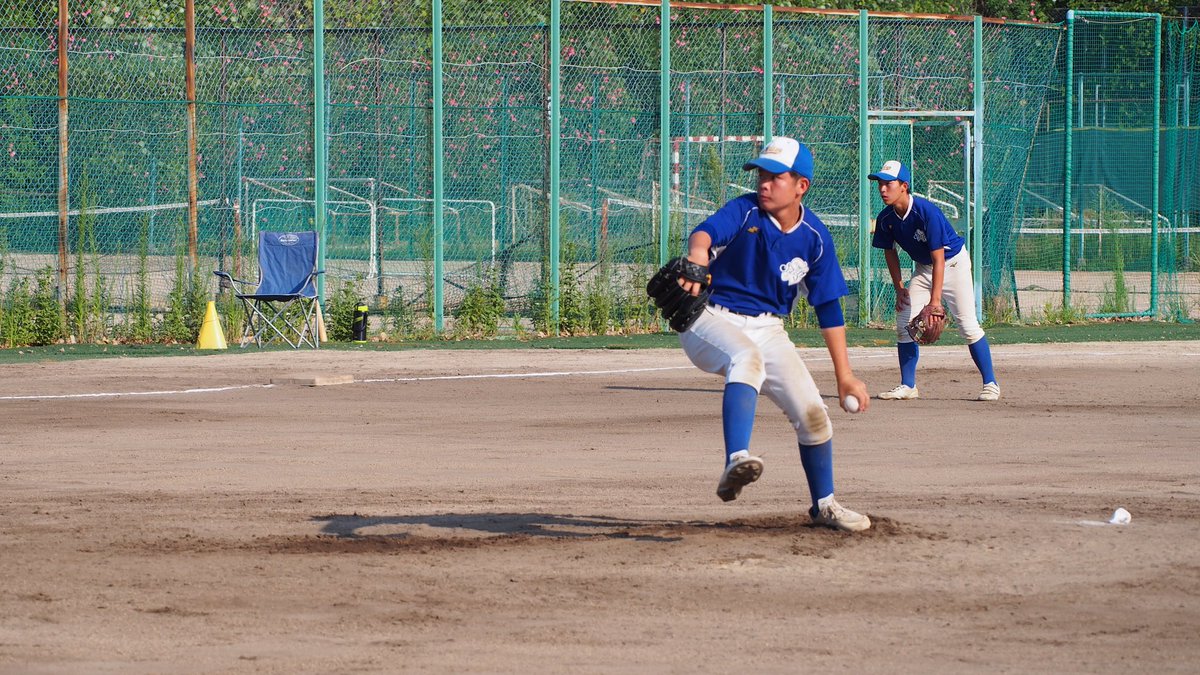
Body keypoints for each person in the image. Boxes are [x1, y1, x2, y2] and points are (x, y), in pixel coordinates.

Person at [675, 136, 872, 532]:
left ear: (802, 186)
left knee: (815, 416)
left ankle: (824, 506)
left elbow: (828, 308)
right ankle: (736, 459)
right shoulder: (744, 211)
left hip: (769, 327)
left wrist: (845, 375)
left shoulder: (814, 238)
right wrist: (698, 252)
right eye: (762, 174)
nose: (764, 183)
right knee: (745, 357)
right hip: (710, 319)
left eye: (775, 177)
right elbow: (704, 233)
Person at [867, 160, 1000, 402]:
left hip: (953, 265)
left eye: (888, 184)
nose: (883, 189)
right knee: (904, 322)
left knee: (967, 326)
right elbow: (889, 251)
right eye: (880, 184)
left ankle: (990, 383)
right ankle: (908, 385)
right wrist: (899, 287)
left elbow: (939, 258)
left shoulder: (926, 212)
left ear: (904, 186)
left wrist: (935, 301)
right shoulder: (886, 217)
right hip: (924, 268)